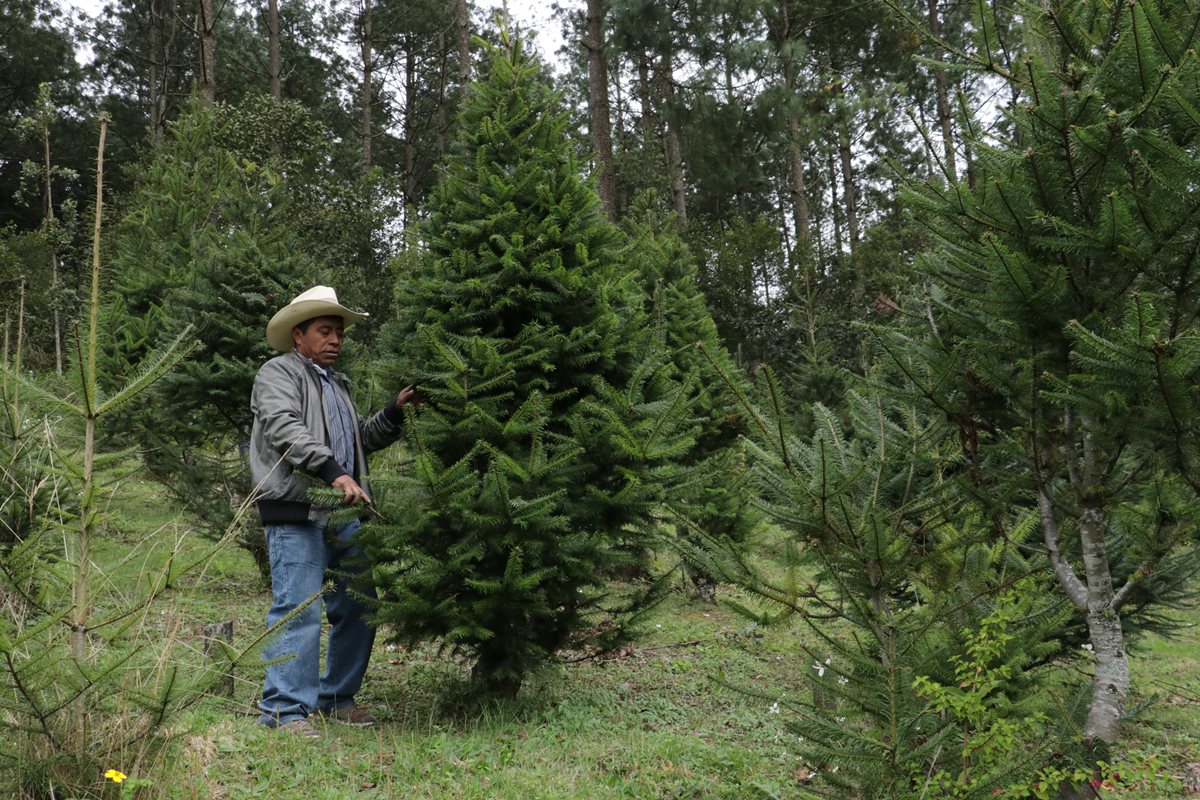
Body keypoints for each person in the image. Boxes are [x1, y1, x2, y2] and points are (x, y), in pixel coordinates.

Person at [249, 285, 418, 738]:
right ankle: (285, 712)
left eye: (339, 333)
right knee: (298, 609)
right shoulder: (277, 373)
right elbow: (285, 428)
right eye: (325, 331)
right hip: (296, 511)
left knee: (360, 607)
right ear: (298, 335)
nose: (335, 340)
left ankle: (338, 699)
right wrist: (333, 472)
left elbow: (359, 439)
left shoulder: (336, 385)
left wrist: (394, 413)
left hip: (345, 514)